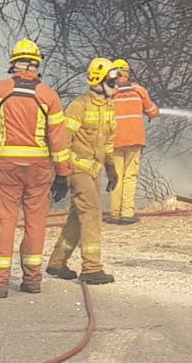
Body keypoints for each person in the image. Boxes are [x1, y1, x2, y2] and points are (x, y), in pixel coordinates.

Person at [0, 39, 72, 298]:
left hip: (7, 165)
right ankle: (32, 280)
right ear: (36, 64)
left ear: (13, 63)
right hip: (39, 168)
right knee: (35, 223)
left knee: (6, 221)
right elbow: (58, 138)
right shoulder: (48, 95)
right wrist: (63, 174)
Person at [45, 57, 120, 285]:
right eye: (113, 81)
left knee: (77, 218)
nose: (116, 86)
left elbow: (108, 142)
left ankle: (57, 262)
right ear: (98, 80)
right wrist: (62, 173)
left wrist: (110, 167)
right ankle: (91, 268)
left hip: (94, 170)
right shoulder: (79, 106)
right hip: (78, 169)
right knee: (92, 214)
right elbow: (62, 141)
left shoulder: (108, 108)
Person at [107, 58, 159, 224]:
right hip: (135, 140)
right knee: (130, 177)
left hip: (114, 141)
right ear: (127, 73)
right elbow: (152, 111)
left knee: (116, 177)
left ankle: (114, 214)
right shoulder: (139, 90)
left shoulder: (108, 92)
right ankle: (127, 213)